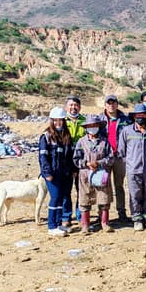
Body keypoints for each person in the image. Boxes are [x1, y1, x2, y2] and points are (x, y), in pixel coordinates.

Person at [119, 103, 146, 231]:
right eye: (138, 115)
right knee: (135, 195)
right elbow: (122, 151)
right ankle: (137, 219)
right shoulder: (127, 131)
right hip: (133, 169)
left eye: (143, 115)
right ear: (134, 117)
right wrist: (131, 163)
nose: (140, 117)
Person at [73, 115, 114, 234]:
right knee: (85, 199)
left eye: (95, 126)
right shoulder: (81, 142)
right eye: (90, 126)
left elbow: (110, 157)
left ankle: (104, 223)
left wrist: (99, 163)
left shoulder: (105, 141)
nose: (92, 128)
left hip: (101, 173)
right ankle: (85, 225)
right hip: (85, 175)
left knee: (104, 198)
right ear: (86, 128)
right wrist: (86, 163)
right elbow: (76, 158)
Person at [38, 106, 75, 237]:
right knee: (55, 197)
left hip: (65, 173)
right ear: (51, 121)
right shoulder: (46, 136)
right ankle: (51, 226)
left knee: (62, 197)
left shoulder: (66, 135)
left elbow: (70, 155)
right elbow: (43, 157)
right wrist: (47, 173)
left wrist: (73, 170)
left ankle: (59, 224)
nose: (58, 123)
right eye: (55, 120)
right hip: (52, 175)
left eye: (60, 120)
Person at [100, 94, 130, 222]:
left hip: (120, 157)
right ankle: (102, 214)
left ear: (117, 104)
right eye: (108, 103)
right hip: (105, 157)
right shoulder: (99, 119)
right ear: (105, 105)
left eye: (113, 103)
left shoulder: (126, 119)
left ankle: (121, 212)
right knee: (103, 185)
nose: (111, 105)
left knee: (119, 186)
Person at [63, 96, 86, 225]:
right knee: (66, 190)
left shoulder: (85, 121)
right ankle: (66, 217)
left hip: (81, 161)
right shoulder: (62, 121)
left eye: (76, 105)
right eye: (71, 105)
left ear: (80, 107)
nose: (73, 107)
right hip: (65, 162)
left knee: (81, 190)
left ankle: (80, 215)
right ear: (66, 107)